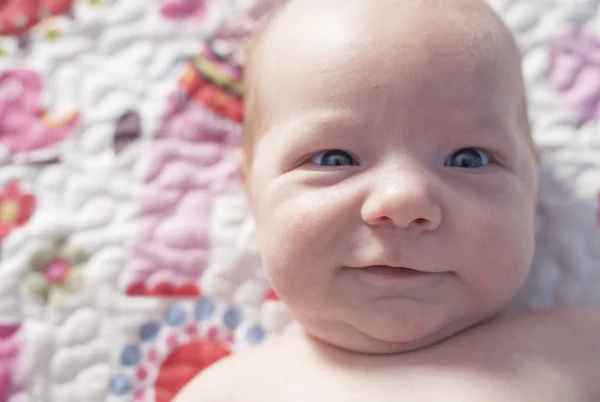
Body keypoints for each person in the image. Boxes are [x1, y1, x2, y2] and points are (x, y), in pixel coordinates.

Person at [175, 0, 600, 400]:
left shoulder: (582, 352)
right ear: (251, 191)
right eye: (334, 158)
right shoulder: (226, 392)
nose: (403, 200)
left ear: (532, 189)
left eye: (469, 160)